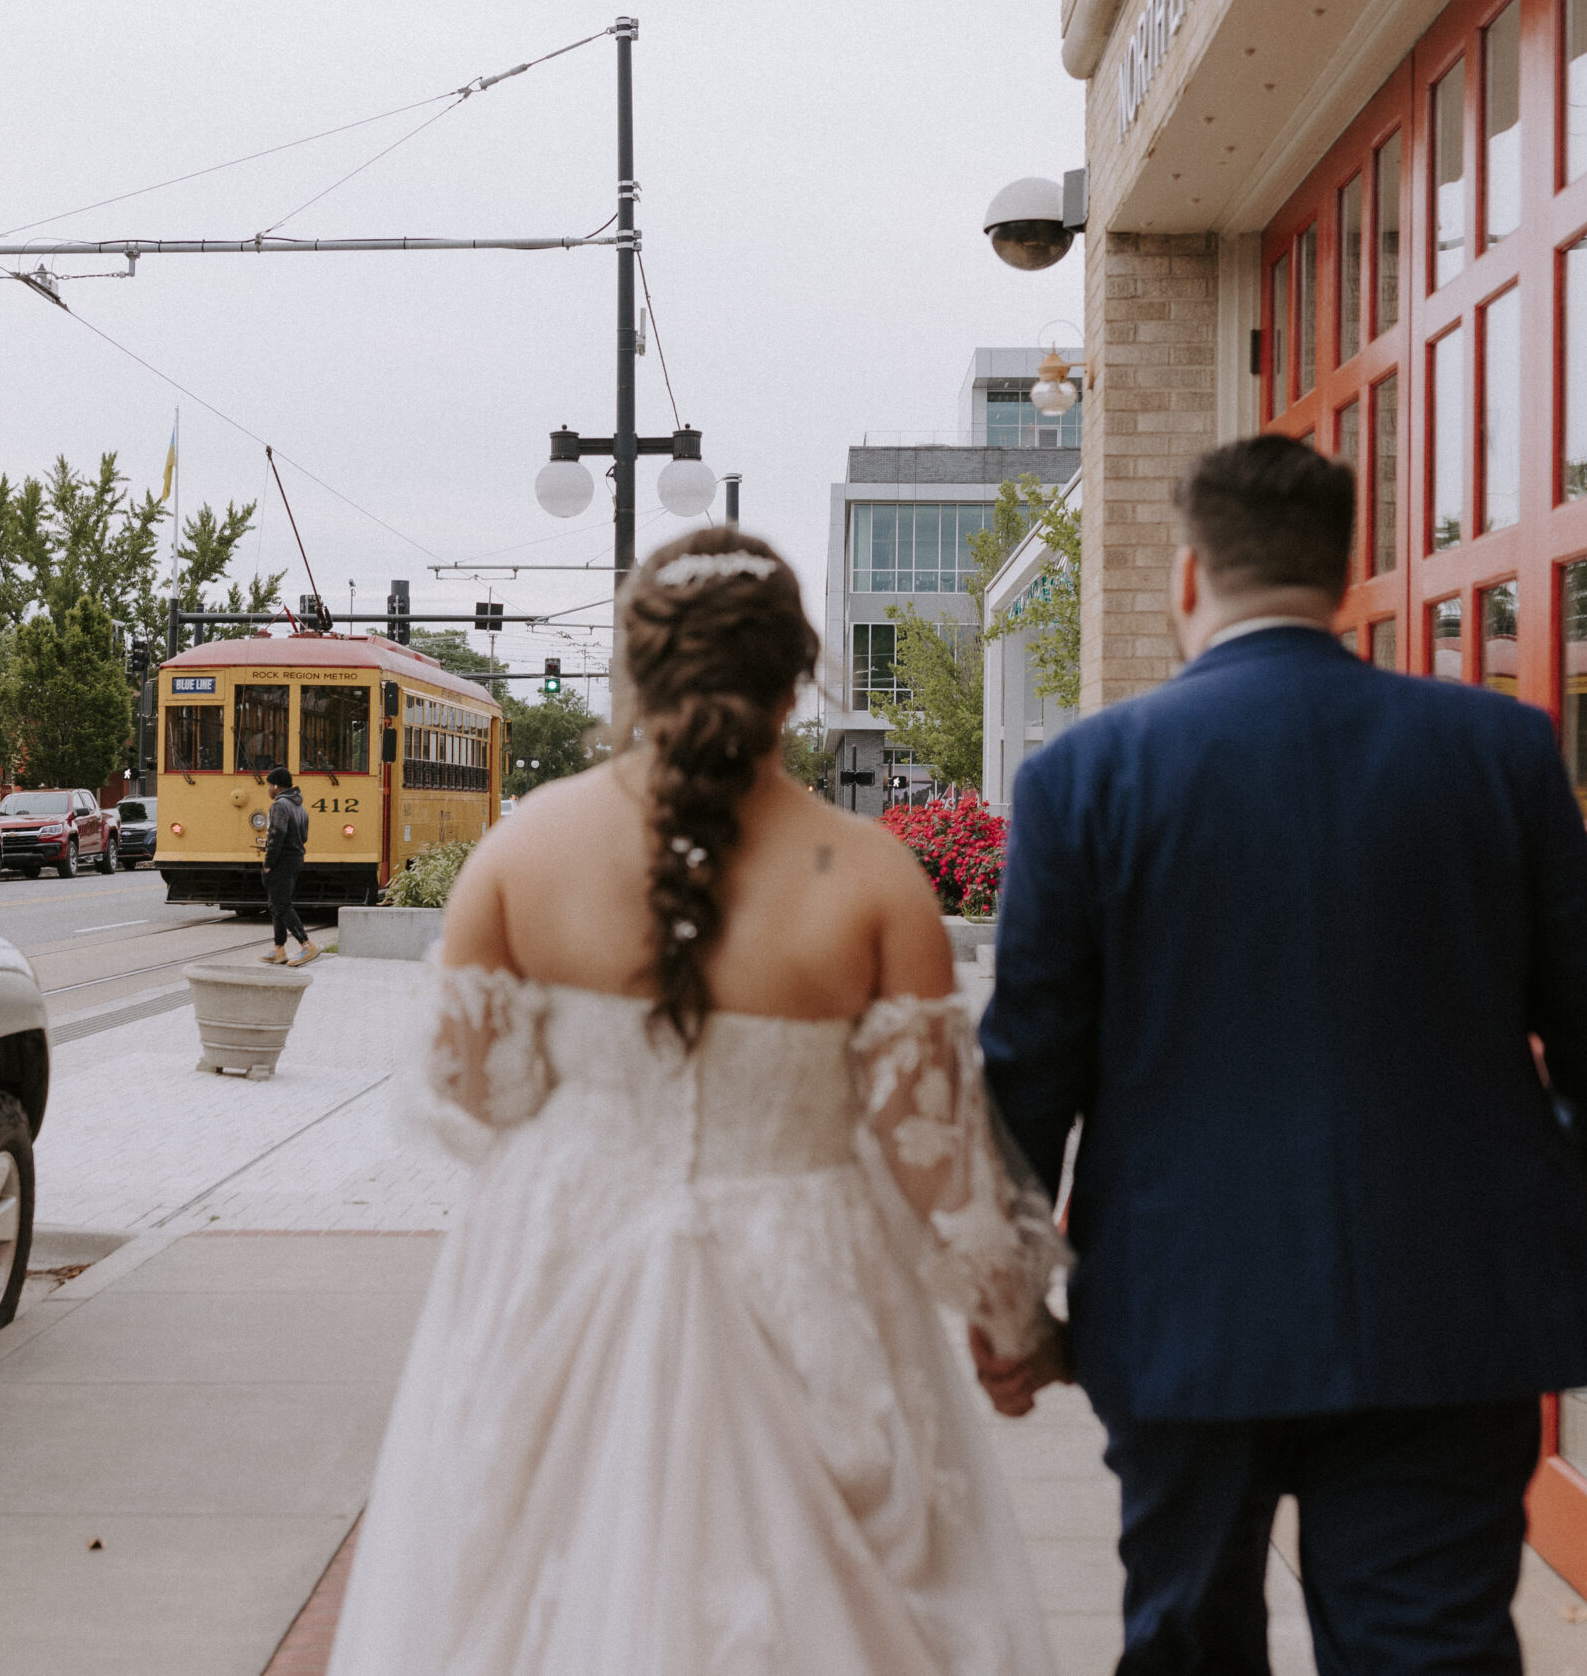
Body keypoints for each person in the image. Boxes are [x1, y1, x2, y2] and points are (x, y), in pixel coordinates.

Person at [325, 528, 1070, 1676]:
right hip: (807, 1274)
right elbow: (937, 1155)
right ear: (796, 678)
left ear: (633, 673)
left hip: (557, 1263)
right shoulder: (873, 878)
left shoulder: (519, 853)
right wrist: (1014, 1322)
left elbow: (468, 1095)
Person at [975, 435, 1587, 1675]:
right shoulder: (1496, 749)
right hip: (1450, 1294)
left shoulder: (1082, 778)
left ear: (1187, 578)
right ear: (1344, 576)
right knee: (1432, 1643)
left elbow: (1029, 1059)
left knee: (1184, 1630)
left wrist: (1007, 1294)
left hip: (1182, 1302)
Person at [259, 768, 320, 967]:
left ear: (277, 786)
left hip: (282, 860)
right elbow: (303, 837)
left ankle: (306, 944)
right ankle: (279, 948)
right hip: (295, 858)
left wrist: (268, 863)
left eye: (269, 785)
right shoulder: (299, 806)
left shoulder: (279, 805)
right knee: (276, 903)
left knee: (282, 904)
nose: (268, 789)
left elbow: (277, 836)